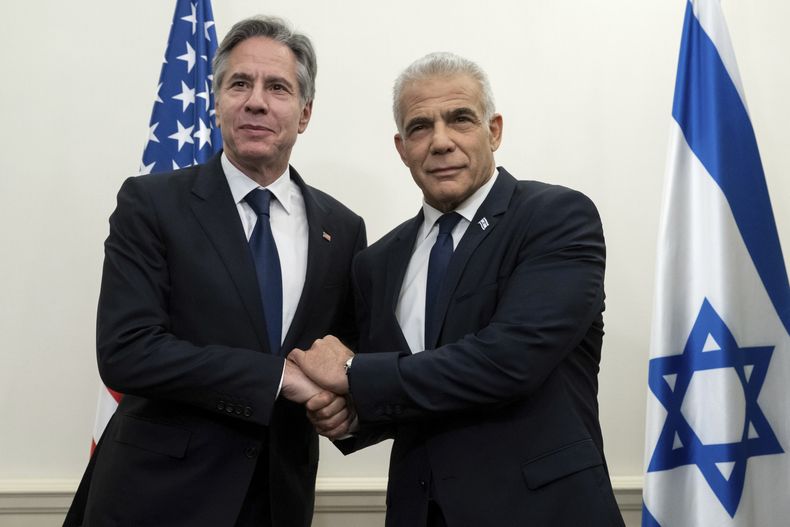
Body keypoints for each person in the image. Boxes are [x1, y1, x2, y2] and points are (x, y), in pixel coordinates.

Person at [290, 52, 624, 527]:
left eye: (460, 119)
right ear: (401, 146)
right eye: (421, 126)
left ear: (494, 131)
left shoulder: (556, 217)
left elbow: (509, 360)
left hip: (542, 512)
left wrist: (351, 372)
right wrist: (350, 415)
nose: (441, 142)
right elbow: (403, 386)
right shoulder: (376, 262)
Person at [64, 16, 365, 527]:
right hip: (155, 500)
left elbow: (341, 358)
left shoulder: (342, 228)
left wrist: (348, 405)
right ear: (216, 101)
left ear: (305, 112)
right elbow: (126, 350)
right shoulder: (152, 203)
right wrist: (279, 379)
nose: (256, 101)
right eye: (239, 84)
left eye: (277, 87)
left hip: (278, 500)